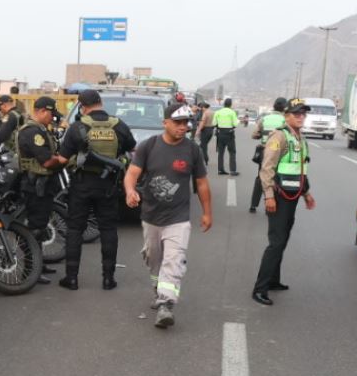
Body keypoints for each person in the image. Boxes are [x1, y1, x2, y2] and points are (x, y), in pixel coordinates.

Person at [124, 104, 212, 328]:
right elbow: (132, 173)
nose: (183, 127)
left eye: (186, 123)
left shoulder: (192, 150)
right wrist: (130, 191)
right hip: (151, 216)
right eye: (178, 123)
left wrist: (207, 212)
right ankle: (158, 288)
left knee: (173, 259)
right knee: (154, 258)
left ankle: (166, 304)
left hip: (178, 218)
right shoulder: (149, 146)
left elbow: (201, 182)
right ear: (165, 123)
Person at [54, 89, 136, 290]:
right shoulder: (119, 125)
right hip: (108, 185)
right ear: (100, 102)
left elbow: (63, 159)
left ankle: (71, 278)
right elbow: (131, 148)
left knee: (75, 229)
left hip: (81, 185)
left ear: (82, 107)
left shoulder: (77, 127)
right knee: (108, 229)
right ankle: (108, 279)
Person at [251, 102, 315, 305]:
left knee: (283, 239)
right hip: (279, 197)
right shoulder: (279, 136)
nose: (300, 117)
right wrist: (268, 196)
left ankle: (273, 280)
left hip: (293, 196)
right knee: (276, 242)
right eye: (296, 113)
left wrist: (306, 194)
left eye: (303, 114)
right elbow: (267, 168)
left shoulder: (300, 138)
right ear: (286, 115)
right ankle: (259, 289)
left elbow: (300, 169)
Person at [13, 95, 68, 276]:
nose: (52, 117)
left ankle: (38, 265)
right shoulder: (32, 132)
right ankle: (30, 271)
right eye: (51, 113)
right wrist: (62, 160)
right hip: (35, 185)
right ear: (42, 111)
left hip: (42, 185)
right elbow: (46, 161)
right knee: (35, 228)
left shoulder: (41, 129)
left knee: (41, 226)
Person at [248, 97, 290, 213]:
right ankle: (273, 204)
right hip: (280, 154)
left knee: (261, 177)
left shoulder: (264, 119)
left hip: (264, 151)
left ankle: (253, 205)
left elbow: (254, 135)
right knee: (277, 178)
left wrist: (263, 135)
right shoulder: (285, 120)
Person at [210, 98, 240, 174]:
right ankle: (232, 170)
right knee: (232, 152)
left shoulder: (218, 112)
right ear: (230, 104)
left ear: (224, 104)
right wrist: (238, 121)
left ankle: (220, 170)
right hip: (229, 134)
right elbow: (235, 124)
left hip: (220, 134)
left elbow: (213, 123)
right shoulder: (232, 112)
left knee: (221, 153)